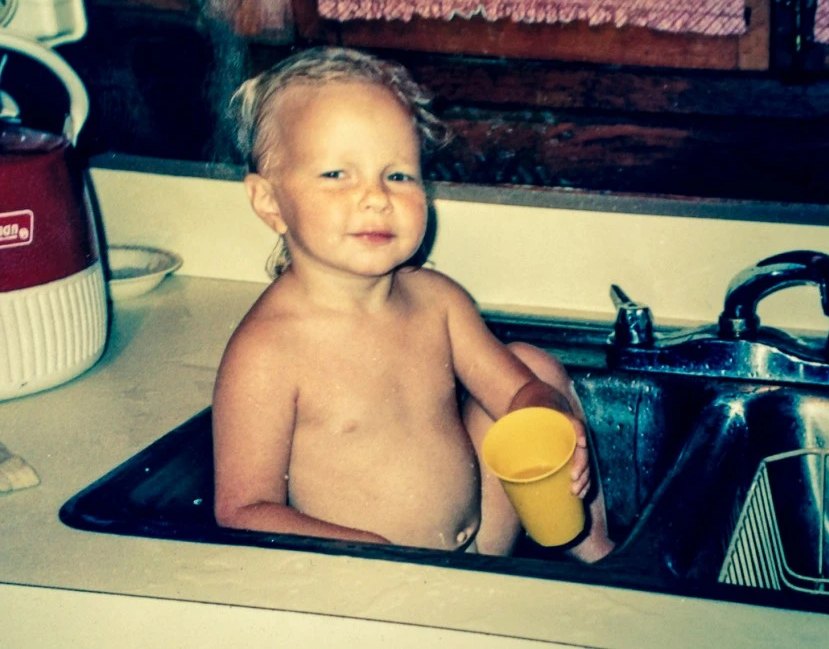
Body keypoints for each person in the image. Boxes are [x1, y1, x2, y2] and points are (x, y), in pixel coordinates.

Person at [212, 47, 614, 562]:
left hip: (477, 545)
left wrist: (549, 415)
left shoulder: (437, 300)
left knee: (534, 364)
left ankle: (599, 556)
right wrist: (373, 555)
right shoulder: (268, 350)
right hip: (370, 585)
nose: (376, 197)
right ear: (270, 202)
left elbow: (517, 389)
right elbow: (244, 509)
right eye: (337, 174)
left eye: (398, 175)